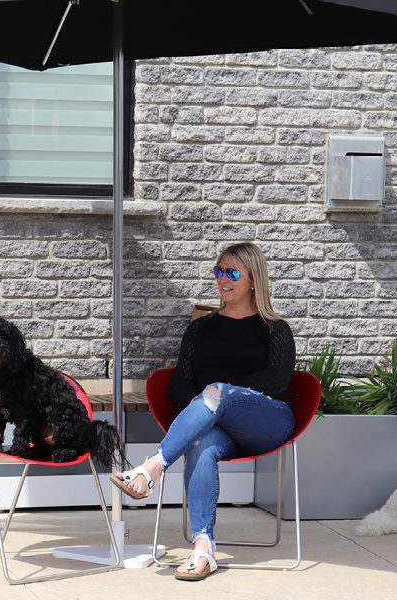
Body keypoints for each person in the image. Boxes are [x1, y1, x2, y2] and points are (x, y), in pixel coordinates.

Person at [111, 241, 295, 581]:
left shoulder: (274, 328)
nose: (223, 279)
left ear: (254, 279)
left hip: (267, 421)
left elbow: (276, 381)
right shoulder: (200, 328)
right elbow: (180, 384)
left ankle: (152, 468)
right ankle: (203, 548)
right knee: (201, 443)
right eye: (219, 271)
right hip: (221, 429)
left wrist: (220, 395)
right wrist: (208, 408)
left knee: (217, 391)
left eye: (232, 272)